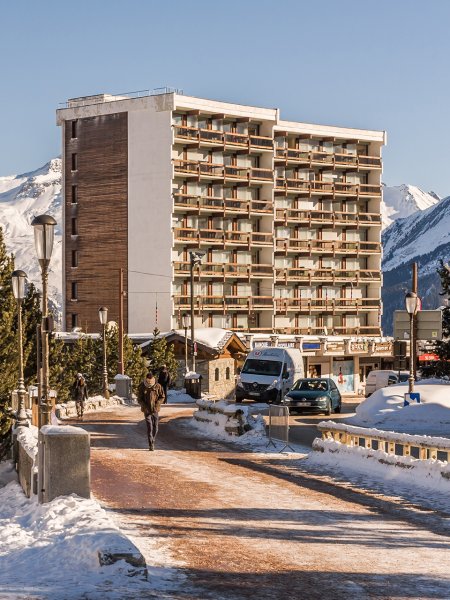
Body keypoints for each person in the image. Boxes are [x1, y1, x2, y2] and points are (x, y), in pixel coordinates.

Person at [138, 372, 165, 451]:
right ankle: (151, 444)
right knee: (150, 427)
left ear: (153, 379)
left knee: (155, 428)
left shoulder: (157, 386)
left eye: (150, 379)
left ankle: (153, 439)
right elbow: (139, 399)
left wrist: (157, 404)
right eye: (148, 379)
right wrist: (144, 406)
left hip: (155, 410)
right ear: (146, 379)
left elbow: (162, 397)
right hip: (146, 410)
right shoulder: (142, 386)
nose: (149, 381)